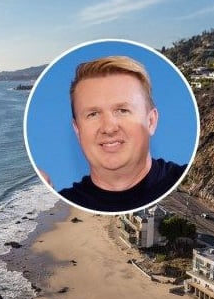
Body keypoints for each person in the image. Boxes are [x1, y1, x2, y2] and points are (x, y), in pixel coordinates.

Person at [58, 56, 186, 212]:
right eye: (93, 114)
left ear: (151, 121)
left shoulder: (186, 182)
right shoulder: (60, 206)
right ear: (77, 130)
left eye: (122, 111)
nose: (109, 128)